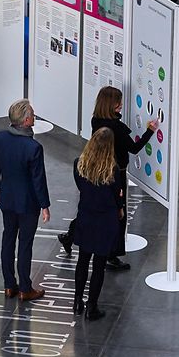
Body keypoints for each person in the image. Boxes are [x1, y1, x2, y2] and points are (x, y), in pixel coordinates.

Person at [58, 87, 158, 271]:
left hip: (96, 170)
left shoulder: (96, 120)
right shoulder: (116, 128)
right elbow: (134, 148)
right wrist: (150, 131)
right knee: (117, 214)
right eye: (118, 102)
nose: (121, 105)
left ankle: (70, 236)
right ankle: (111, 254)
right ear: (111, 105)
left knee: (92, 208)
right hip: (115, 173)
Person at [0, 100, 51, 301]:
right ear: (26, 121)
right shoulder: (33, 147)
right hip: (28, 204)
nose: (34, 116)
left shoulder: (0, 138)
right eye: (32, 114)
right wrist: (45, 205)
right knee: (25, 243)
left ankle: (9, 285)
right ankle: (25, 287)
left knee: (8, 239)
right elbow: (38, 180)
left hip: (7, 199)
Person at [69, 128, 121, 320]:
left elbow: (81, 187)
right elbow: (116, 196)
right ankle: (92, 307)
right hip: (105, 221)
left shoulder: (79, 165)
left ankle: (77, 302)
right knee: (98, 265)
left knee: (82, 260)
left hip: (86, 217)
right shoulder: (112, 170)